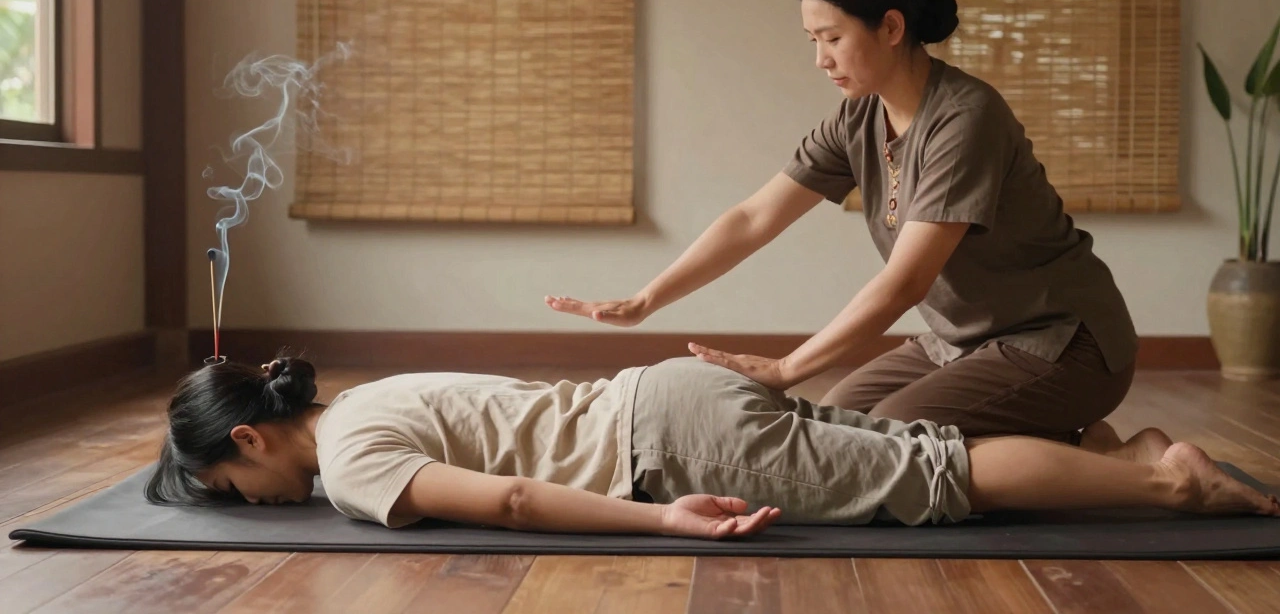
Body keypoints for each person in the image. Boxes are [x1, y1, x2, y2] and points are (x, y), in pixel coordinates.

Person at [546, 0, 1139, 447]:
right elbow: (755, 217)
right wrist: (647, 299)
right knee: (835, 430)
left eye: (830, 37)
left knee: (892, 439)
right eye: (812, 40)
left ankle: (1115, 461)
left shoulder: (965, 118)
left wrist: (785, 367)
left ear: (890, 27)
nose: (820, 60)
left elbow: (905, 282)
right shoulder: (859, 117)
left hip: (1065, 341)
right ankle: (1073, 442)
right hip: (964, 341)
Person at [144, 356, 1278, 539]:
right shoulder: (375, 393)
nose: (245, 502)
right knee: (912, 442)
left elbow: (513, 504)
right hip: (672, 392)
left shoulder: (348, 466)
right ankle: (1120, 446)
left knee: (940, 481)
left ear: (247, 437)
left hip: (668, 441)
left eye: (226, 484)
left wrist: (659, 517)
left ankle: (1164, 482)